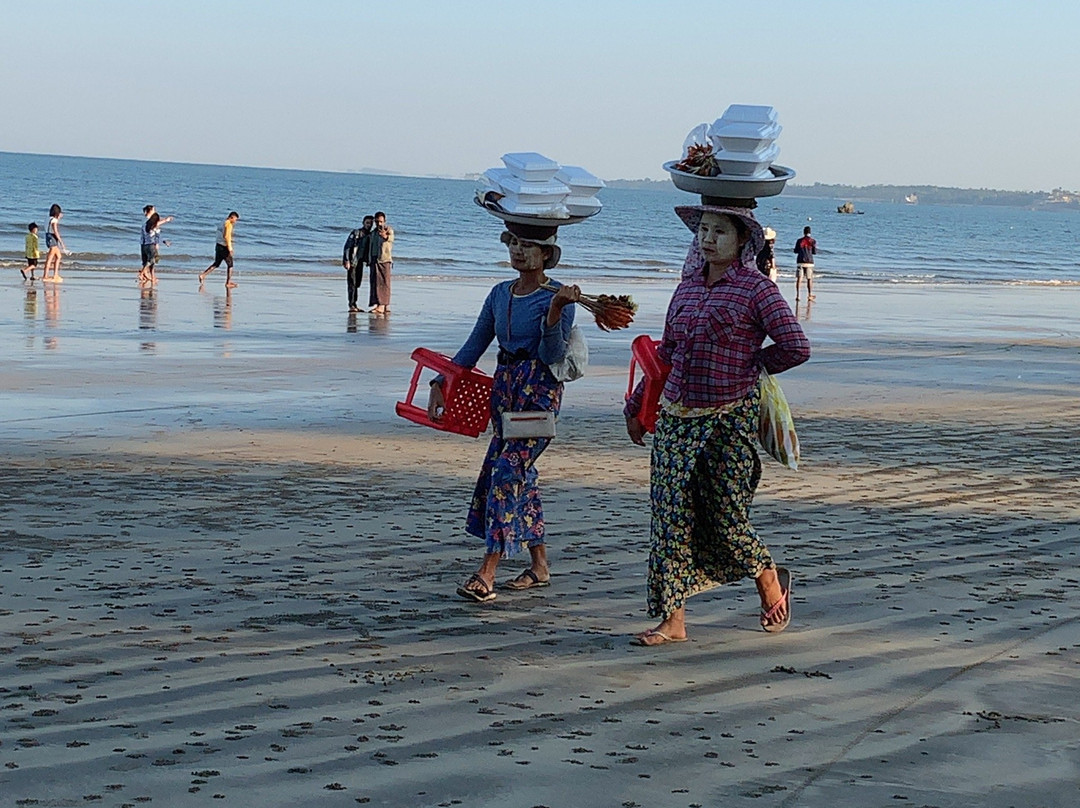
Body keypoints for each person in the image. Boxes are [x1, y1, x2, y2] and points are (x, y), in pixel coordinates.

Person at [624, 204, 810, 646]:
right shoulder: (686, 289)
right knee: (669, 517)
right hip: (675, 415)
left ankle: (767, 579)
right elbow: (666, 355)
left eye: (719, 232)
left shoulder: (756, 290)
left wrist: (750, 365)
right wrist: (635, 407)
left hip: (728, 417)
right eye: (703, 230)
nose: (708, 239)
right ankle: (673, 621)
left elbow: (795, 346)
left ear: (742, 241)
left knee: (726, 517)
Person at [427, 221, 580, 603]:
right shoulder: (498, 294)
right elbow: (474, 346)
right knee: (520, 475)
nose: (517, 250)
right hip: (505, 392)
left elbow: (553, 356)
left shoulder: (557, 298)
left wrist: (556, 312)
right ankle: (540, 565)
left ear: (546, 254)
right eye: (513, 242)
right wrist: (439, 383)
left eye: (527, 245)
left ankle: (488, 570)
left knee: (506, 472)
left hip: (539, 394)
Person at [199, 212, 240, 287]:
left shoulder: (221, 223)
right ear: (232, 217)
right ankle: (228, 282)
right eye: (235, 219)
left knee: (216, 263)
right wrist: (230, 248)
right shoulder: (229, 224)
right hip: (224, 246)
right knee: (230, 265)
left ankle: (203, 275)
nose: (235, 222)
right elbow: (227, 236)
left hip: (218, 245)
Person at [342, 215, 374, 312]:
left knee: (357, 283)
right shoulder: (356, 233)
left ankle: (354, 304)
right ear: (363, 223)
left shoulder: (370, 235)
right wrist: (346, 260)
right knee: (352, 283)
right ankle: (352, 305)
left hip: (360, 262)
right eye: (367, 223)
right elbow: (347, 246)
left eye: (371, 223)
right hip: (353, 261)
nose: (369, 225)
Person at [140, 205, 173, 283]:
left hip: (143, 244)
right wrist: (166, 220)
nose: (155, 211)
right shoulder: (150, 223)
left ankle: (152, 276)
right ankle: (143, 273)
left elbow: (154, 233)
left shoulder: (145, 223)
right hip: (151, 244)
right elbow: (156, 227)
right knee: (152, 261)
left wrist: (163, 241)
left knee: (149, 262)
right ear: (150, 211)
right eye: (154, 210)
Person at [369, 211, 393, 313]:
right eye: (377, 221)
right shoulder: (373, 233)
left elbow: (390, 239)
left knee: (384, 283)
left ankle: (382, 305)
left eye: (381, 222)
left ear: (384, 221)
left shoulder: (388, 230)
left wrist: (385, 236)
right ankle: (380, 304)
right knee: (375, 282)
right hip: (374, 259)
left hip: (384, 259)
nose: (379, 224)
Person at [42, 204, 66, 283]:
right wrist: (61, 241)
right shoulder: (54, 220)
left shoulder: (47, 218)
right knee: (50, 257)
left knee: (58, 256)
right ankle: (45, 275)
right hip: (52, 237)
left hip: (48, 236)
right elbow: (55, 231)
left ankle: (55, 274)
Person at [794, 225, 817, 300]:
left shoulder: (799, 241)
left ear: (803, 232)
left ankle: (798, 295)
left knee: (799, 278)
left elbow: (796, 251)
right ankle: (809, 294)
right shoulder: (813, 241)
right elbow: (814, 252)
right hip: (809, 261)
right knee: (809, 279)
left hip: (800, 261)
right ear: (810, 232)